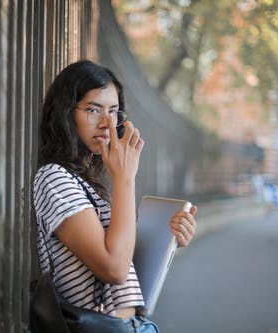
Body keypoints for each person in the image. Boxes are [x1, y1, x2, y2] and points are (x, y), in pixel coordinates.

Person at [33, 60, 197, 333]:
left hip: (131, 325)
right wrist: (124, 179)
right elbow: (114, 268)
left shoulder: (86, 183)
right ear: (65, 113)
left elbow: (123, 261)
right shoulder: (54, 178)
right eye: (93, 110)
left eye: (113, 112)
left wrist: (168, 240)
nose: (107, 123)